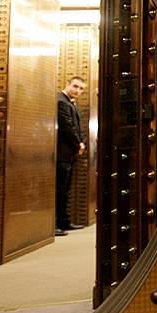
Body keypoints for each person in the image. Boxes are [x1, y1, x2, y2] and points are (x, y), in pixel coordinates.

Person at [56, 76, 87, 236]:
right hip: (62, 153)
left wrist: (81, 142)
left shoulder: (70, 103)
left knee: (65, 190)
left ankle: (63, 221)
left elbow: (77, 127)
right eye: (75, 86)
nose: (77, 90)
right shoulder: (61, 101)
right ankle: (56, 224)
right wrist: (78, 144)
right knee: (59, 190)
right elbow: (67, 127)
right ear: (67, 84)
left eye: (81, 89)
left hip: (68, 153)